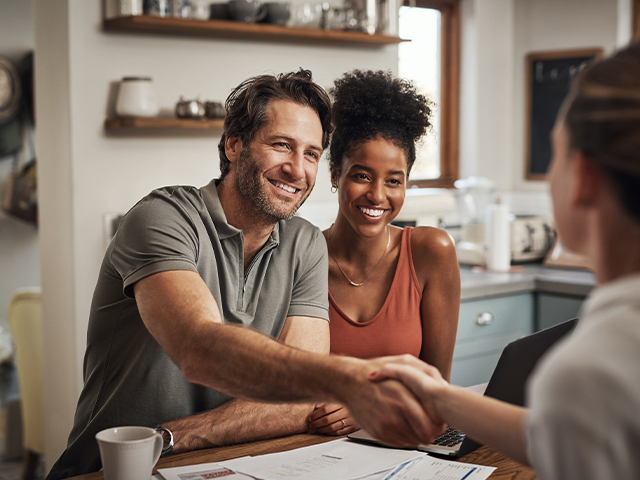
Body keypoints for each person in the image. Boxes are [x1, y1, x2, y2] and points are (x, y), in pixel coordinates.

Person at [46, 69, 442, 479]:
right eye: (281, 146)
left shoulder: (305, 244)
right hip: (110, 470)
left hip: (225, 464)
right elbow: (199, 349)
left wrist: (172, 435)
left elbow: (301, 397)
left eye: (310, 153)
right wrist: (349, 378)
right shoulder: (161, 218)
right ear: (234, 145)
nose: (297, 169)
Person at [372, 41, 640, 480]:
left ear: (585, 178)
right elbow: (557, 434)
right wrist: (440, 398)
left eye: (554, 156)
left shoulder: (591, 371)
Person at [307, 70, 460, 436]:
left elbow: (436, 392)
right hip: (312, 449)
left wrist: (363, 407)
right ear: (334, 174)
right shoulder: (302, 256)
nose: (378, 195)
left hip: (406, 445)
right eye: (361, 175)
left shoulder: (430, 252)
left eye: (394, 180)